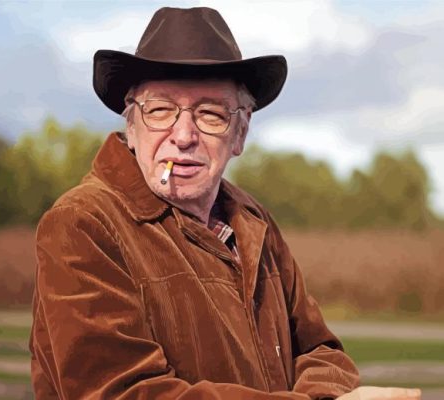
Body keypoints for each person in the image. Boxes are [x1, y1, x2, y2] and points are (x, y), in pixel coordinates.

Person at [29, 7, 421, 400]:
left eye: (210, 114)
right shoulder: (83, 223)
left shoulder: (253, 221)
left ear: (240, 133)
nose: (184, 135)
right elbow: (122, 392)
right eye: (160, 110)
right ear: (131, 127)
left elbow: (319, 349)